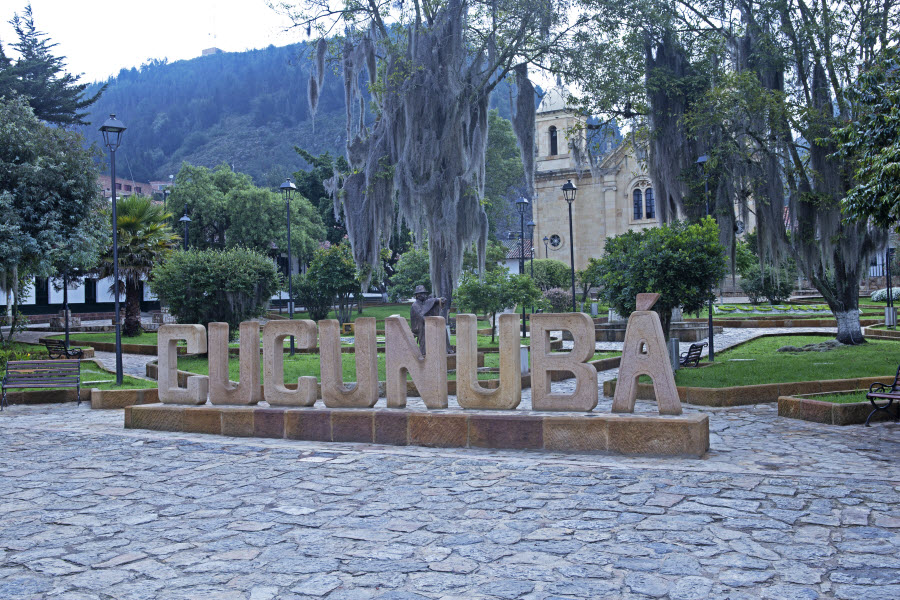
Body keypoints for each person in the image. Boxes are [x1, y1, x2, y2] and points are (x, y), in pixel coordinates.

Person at [409, 285, 448, 355]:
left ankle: (444, 349)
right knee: (425, 329)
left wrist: (440, 300)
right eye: (421, 293)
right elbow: (421, 315)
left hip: (427, 322)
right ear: (417, 295)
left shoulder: (425, 303)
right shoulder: (415, 305)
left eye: (424, 293)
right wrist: (430, 322)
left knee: (442, 328)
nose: (423, 295)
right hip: (418, 326)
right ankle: (424, 351)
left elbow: (433, 302)